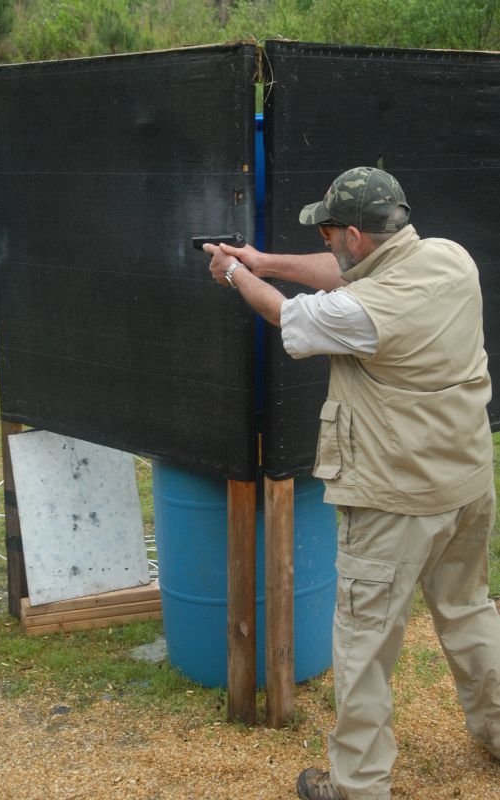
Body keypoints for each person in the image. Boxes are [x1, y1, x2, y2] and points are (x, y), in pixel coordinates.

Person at [204, 166, 500, 800]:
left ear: (358, 235)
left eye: (332, 230)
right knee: (470, 612)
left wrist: (235, 275)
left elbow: (288, 317)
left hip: (395, 498)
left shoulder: (366, 311)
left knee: (365, 646)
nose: (328, 240)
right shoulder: (449, 257)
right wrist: (262, 257)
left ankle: (358, 787)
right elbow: (341, 273)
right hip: (467, 482)